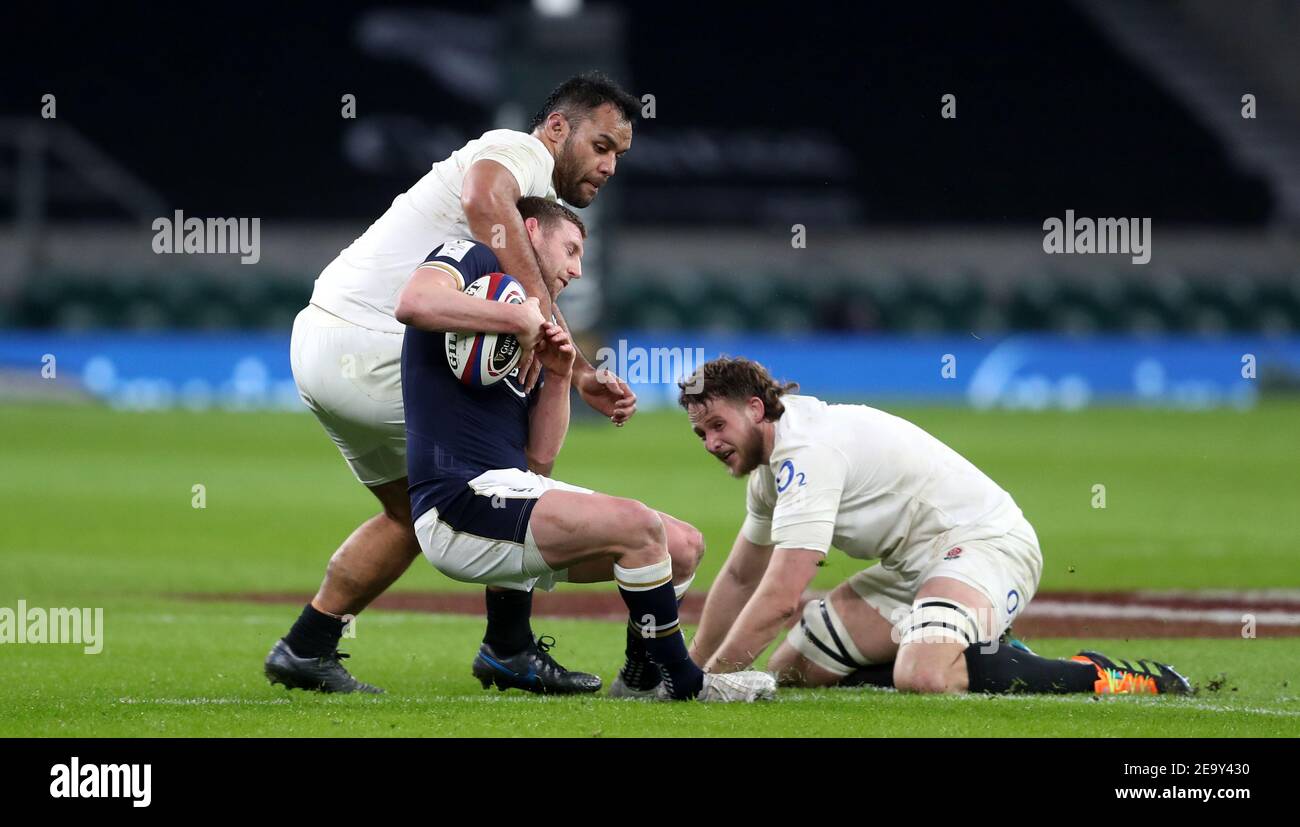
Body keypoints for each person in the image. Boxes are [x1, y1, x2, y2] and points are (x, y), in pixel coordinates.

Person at [266, 72, 640, 694]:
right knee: (517, 459)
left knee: (407, 512)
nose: (608, 166)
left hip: (319, 346)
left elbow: (522, 307)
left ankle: (309, 644)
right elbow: (483, 200)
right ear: (556, 128)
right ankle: (509, 645)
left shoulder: (526, 186)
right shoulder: (519, 154)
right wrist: (542, 325)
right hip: (376, 339)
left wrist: (573, 370)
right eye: (601, 146)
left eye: (618, 156)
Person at [398, 202, 775, 702]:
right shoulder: (475, 257)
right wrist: (520, 319)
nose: (576, 268)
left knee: (682, 546)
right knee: (638, 526)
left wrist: (559, 375)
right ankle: (686, 683)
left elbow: (538, 464)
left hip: (506, 494)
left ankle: (639, 683)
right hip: (456, 504)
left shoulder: (535, 327)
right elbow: (413, 301)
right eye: (570, 249)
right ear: (529, 231)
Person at [676, 356, 1191, 696]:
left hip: (984, 545)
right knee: (795, 672)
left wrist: (711, 682)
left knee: (922, 675)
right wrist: (689, 667)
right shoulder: (771, 467)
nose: (711, 443)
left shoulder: (806, 456)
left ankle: (1105, 676)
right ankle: (987, 656)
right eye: (701, 433)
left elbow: (781, 597)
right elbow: (742, 577)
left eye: (718, 425)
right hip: (912, 570)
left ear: (756, 407)